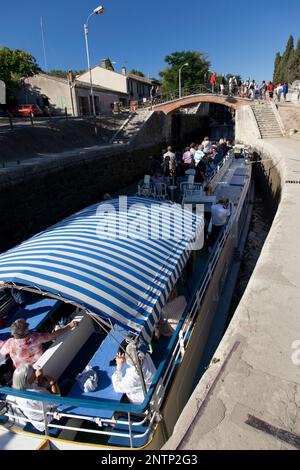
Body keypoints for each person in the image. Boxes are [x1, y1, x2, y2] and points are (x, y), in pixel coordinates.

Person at [0, 318, 79, 369]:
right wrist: (70, 325)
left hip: (23, 371)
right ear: (26, 331)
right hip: (42, 365)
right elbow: (53, 335)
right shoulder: (35, 337)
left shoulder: (10, 343)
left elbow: (2, 352)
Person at [10, 363, 60, 432]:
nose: (35, 371)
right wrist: (53, 383)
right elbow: (57, 401)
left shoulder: (18, 390)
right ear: (28, 378)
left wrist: (39, 378)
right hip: (48, 422)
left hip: (37, 421)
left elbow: (38, 388)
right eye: (34, 371)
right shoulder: (35, 395)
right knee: (67, 384)